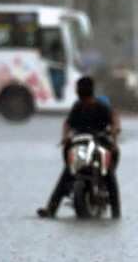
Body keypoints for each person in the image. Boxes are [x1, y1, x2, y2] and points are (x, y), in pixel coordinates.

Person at [37, 76, 121, 219]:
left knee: (109, 173)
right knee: (67, 172)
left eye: (80, 88)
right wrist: (65, 137)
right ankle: (51, 209)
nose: (78, 90)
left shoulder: (101, 106)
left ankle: (116, 211)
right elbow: (67, 123)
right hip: (80, 143)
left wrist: (114, 133)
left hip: (99, 142)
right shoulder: (77, 106)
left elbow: (114, 118)